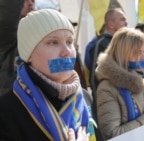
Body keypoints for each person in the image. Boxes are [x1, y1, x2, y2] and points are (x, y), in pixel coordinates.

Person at [0, 9, 90, 141]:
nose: (66, 52)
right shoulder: (6, 112)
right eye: (53, 42)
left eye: (70, 42)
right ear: (29, 55)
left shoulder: (85, 98)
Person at [95, 27, 144, 140]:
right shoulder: (107, 88)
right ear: (122, 53)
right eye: (136, 52)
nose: (143, 56)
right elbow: (112, 135)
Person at [88, 8, 127, 141]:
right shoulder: (102, 44)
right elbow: (95, 80)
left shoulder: (122, 44)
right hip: (109, 109)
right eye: (122, 19)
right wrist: (103, 108)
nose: (126, 23)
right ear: (111, 24)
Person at [0, 0, 35, 95]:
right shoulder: (7, 38)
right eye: (24, 0)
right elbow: (8, 12)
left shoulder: (41, 35)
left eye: (32, 0)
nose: (30, 3)